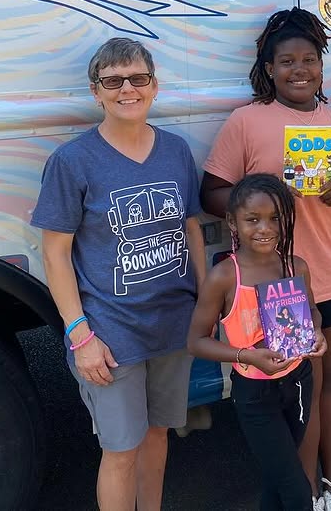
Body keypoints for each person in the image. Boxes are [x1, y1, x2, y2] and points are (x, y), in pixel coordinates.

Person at [201, 7, 331, 510]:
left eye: (309, 60)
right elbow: (211, 192)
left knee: (330, 383)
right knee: (296, 393)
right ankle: (302, 492)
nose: (299, 70)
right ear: (269, 68)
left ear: (322, 66)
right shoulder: (246, 121)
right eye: (286, 62)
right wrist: (262, 197)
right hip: (270, 287)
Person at [32, 37, 206, 511]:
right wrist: (79, 335)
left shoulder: (175, 150)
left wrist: (205, 304)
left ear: (154, 86)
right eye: (114, 81)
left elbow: (191, 229)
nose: (127, 89)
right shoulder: (72, 162)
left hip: (172, 326)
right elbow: (55, 255)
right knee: (120, 451)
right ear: (97, 92)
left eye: (138, 79)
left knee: (157, 437)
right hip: (112, 335)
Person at [187, 174, 328, 511]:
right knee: (297, 490)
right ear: (232, 223)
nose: (265, 228)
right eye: (253, 219)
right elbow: (195, 341)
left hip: (297, 383)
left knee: (277, 480)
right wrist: (246, 355)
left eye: (275, 218)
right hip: (254, 394)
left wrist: (317, 333)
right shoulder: (224, 277)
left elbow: (312, 311)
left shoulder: (296, 266)